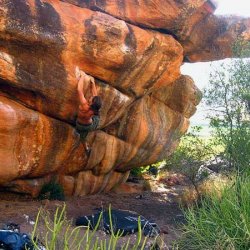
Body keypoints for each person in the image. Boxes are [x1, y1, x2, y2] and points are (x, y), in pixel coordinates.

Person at [75, 68, 102, 154]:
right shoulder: (93, 108)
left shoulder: (84, 105)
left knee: (82, 137)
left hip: (80, 125)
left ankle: (86, 146)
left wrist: (82, 76)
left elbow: (79, 90)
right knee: (83, 137)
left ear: (91, 103)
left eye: (91, 99)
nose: (90, 97)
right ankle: (86, 148)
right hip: (89, 125)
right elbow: (95, 96)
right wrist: (93, 83)